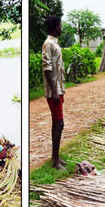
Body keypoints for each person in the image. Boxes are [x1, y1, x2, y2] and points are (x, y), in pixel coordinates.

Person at [42, 15, 66, 171]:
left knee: (56, 123)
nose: (61, 28)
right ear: (55, 26)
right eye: (60, 25)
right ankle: (56, 161)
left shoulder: (54, 44)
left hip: (58, 89)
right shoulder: (48, 44)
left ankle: (55, 156)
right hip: (54, 91)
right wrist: (55, 91)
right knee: (59, 123)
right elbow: (47, 67)